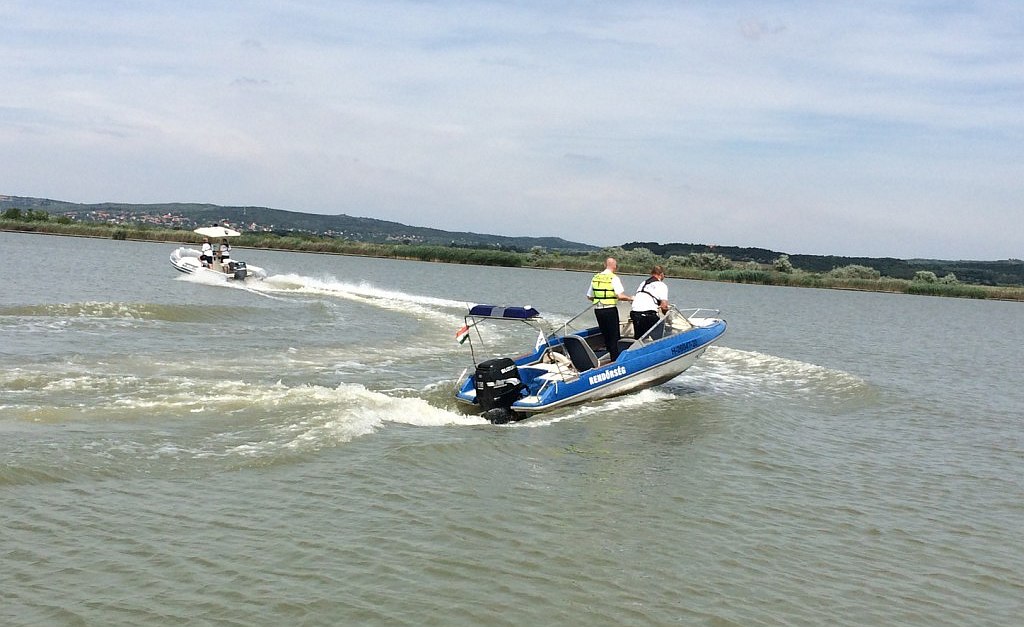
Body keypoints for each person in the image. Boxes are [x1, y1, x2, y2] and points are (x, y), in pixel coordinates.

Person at [586, 257, 633, 360]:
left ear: (605, 265)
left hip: (598, 310)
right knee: (614, 337)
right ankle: (616, 361)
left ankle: (608, 357)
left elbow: (589, 296)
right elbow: (620, 296)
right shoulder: (614, 278)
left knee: (605, 335)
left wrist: (601, 298)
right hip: (609, 310)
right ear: (614, 266)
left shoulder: (596, 277)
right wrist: (631, 298)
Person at [630, 264, 670, 341]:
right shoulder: (661, 285)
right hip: (648, 314)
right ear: (661, 274)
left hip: (635, 313)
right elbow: (664, 306)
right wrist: (668, 317)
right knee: (661, 337)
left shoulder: (643, 283)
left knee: (639, 339)